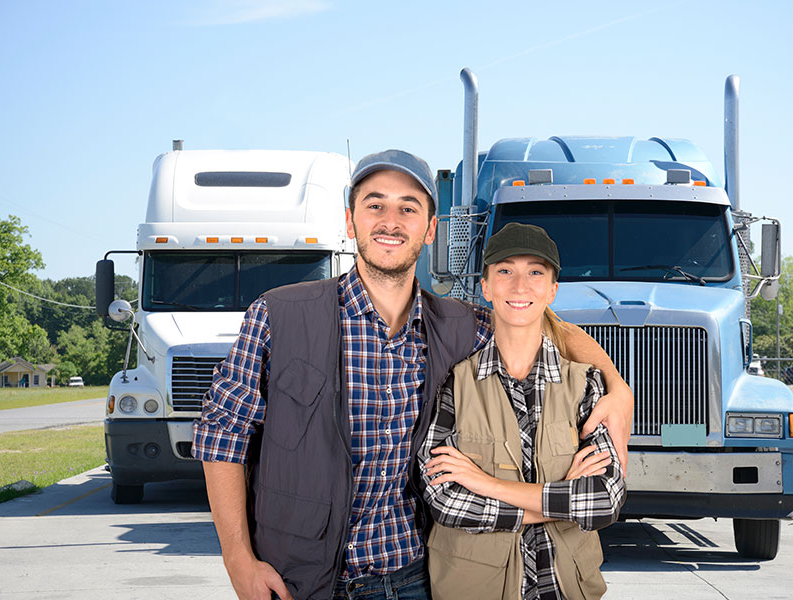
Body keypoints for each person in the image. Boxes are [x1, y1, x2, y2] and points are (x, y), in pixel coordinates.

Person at [192, 150, 633, 600]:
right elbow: (222, 434)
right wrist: (239, 561)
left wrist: (616, 386)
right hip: (297, 580)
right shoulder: (277, 314)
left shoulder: (463, 327)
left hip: (415, 578)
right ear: (351, 222)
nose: (391, 220)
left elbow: (543, 323)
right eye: (375, 204)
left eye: (408, 207)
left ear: (429, 229)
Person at [418, 223, 625, 600]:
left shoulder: (585, 384)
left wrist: (487, 485)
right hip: (475, 587)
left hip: (566, 588)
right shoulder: (453, 383)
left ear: (552, 290)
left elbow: (604, 498)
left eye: (535, 272)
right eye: (505, 271)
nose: (519, 286)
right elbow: (443, 497)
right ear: (485, 286)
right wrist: (561, 499)